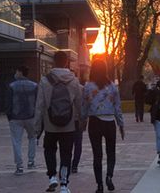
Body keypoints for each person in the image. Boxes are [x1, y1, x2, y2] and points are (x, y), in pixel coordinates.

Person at [34, 51, 82, 193]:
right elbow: (79, 103)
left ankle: (52, 177)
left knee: (49, 150)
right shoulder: (73, 80)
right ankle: (64, 184)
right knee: (66, 153)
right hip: (68, 125)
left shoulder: (45, 80)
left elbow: (39, 105)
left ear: (54, 62)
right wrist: (82, 120)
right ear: (67, 62)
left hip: (50, 125)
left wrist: (37, 127)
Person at [82, 59, 124, 193]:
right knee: (111, 152)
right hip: (110, 122)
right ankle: (109, 176)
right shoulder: (112, 86)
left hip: (94, 122)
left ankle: (99, 185)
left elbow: (84, 106)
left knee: (97, 154)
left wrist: (83, 121)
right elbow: (118, 107)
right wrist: (120, 124)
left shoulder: (88, 87)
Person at [6, 66, 38, 175]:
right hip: (31, 116)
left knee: (16, 141)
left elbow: (9, 102)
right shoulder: (34, 86)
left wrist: (9, 116)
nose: (15, 73)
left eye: (16, 71)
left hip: (15, 117)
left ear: (20, 72)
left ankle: (19, 166)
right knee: (32, 138)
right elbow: (38, 102)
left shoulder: (12, 86)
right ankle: (31, 161)